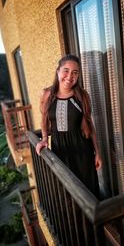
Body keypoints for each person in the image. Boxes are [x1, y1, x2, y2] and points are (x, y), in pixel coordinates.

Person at [36, 54, 102, 198]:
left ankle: (91, 220)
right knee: (66, 191)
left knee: (87, 189)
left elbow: (89, 125)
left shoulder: (82, 96)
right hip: (60, 149)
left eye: (75, 72)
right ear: (58, 71)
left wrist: (97, 152)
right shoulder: (47, 94)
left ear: (78, 75)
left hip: (82, 150)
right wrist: (44, 139)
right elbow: (44, 119)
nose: (69, 76)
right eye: (66, 70)